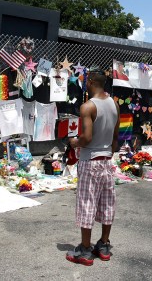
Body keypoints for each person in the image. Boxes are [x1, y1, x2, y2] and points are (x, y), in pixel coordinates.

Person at [65, 71, 119, 266]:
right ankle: (104, 245)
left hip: (90, 162)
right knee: (107, 203)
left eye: (86, 81)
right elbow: (115, 137)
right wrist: (109, 153)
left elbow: (86, 138)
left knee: (87, 203)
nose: (85, 84)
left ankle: (85, 250)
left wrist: (73, 142)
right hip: (106, 160)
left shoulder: (87, 106)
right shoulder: (114, 104)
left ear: (91, 82)